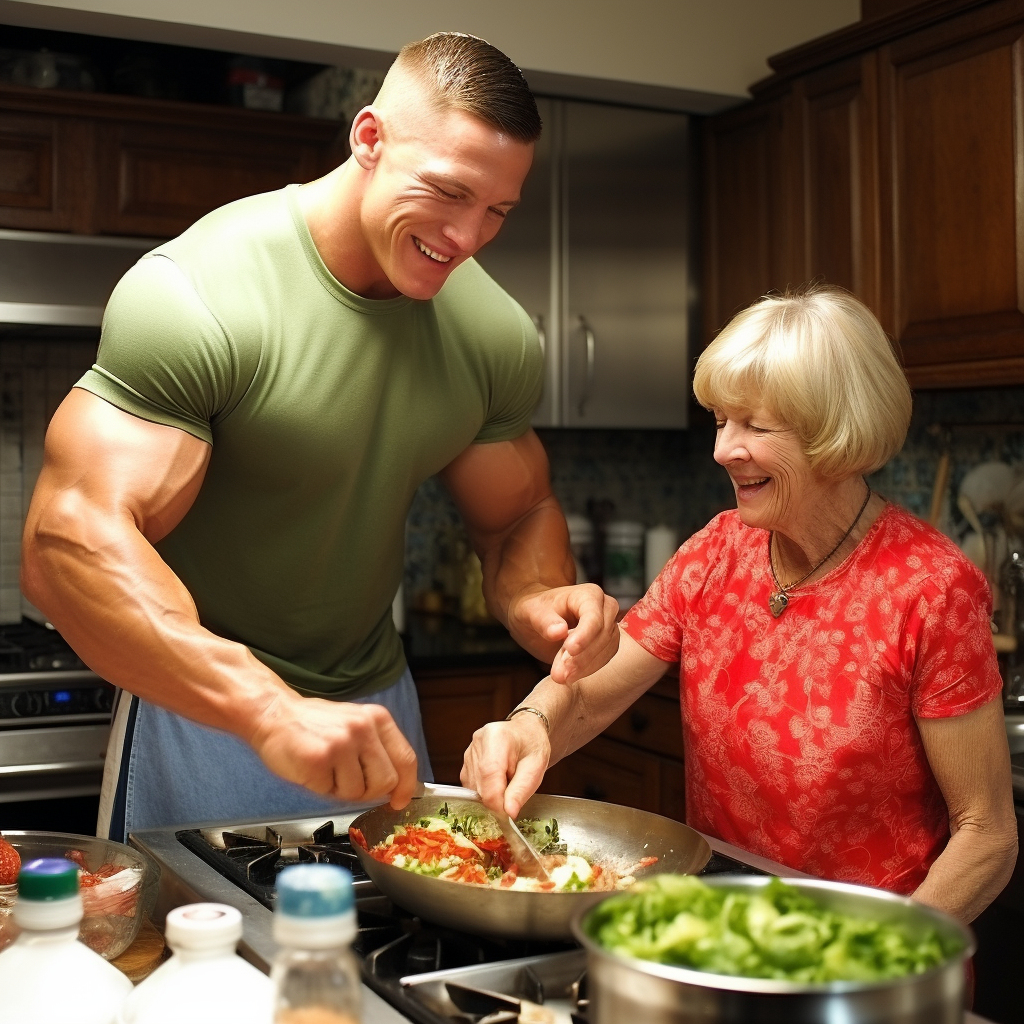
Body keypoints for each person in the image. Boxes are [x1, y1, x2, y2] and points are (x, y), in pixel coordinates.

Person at [20, 32, 619, 842]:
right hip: (209, 708)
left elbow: (515, 515)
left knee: (382, 963)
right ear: (368, 139)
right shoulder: (200, 293)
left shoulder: (493, 333)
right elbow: (68, 542)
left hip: (379, 705)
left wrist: (540, 600)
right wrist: (264, 707)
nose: (469, 236)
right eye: (447, 192)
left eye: (497, 211)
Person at [462, 285, 1017, 924]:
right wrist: (529, 724)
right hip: (726, 937)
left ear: (834, 431)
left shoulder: (932, 589)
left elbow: (986, 834)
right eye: (722, 420)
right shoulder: (719, 550)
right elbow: (589, 692)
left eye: (755, 425)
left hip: (866, 970)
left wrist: (877, 961)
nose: (724, 448)